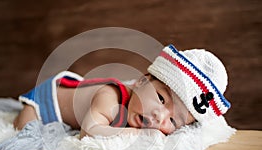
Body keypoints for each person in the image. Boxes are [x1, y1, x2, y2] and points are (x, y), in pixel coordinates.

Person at [13, 44, 231, 138]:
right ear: (142, 81)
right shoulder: (110, 98)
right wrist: (139, 134)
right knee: (23, 130)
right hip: (48, 101)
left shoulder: (139, 102)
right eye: (162, 99)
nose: (159, 117)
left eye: (173, 121)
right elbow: (88, 131)